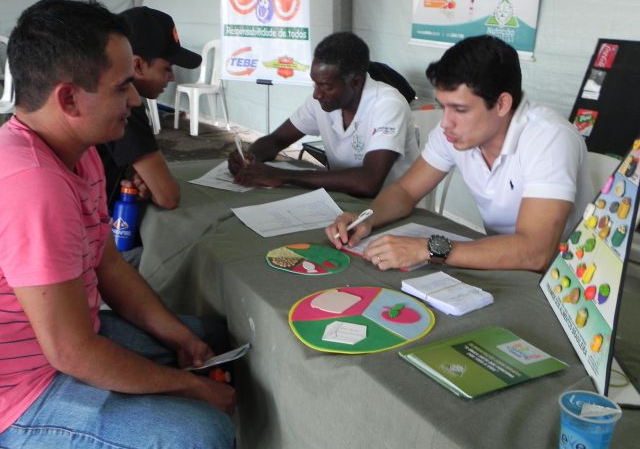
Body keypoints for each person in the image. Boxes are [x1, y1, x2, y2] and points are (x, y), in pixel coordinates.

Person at [0, 0, 235, 449]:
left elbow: (108, 264)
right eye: (122, 86)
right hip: (21, 395)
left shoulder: (80, 151)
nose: (134, 99)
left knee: (208, 341)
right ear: (69, 99)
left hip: (67, 345)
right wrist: (191, 389)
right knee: (201, 438)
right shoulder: (34, 185)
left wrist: (180, 337)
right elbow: (72, 353)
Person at [327, 35, 593, 273]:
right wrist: (367, 218)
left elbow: (536, 253)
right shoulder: (455, 133)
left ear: (502, 104)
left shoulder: (549, 138)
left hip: (562, 280)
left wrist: (428, 249)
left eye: (460, 109)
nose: (445, 122)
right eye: (443, 107)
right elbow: (406, 191)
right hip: (502, 264)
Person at [227, 31, 420, 197]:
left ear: (356, 82)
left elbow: (369, 181)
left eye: (326, 86)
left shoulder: (388, 104)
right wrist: (249, 158)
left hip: (389, 206)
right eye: (315, 84)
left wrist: (282, 175)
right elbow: (277, 139)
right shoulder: (323, 101)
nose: (317, 94)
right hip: (343, 199)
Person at [98, 6, 202, 210]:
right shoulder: (122, 104)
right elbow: (167, 197)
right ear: (137, 66)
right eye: (166, 68)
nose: (172, 77)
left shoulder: (99, 89)